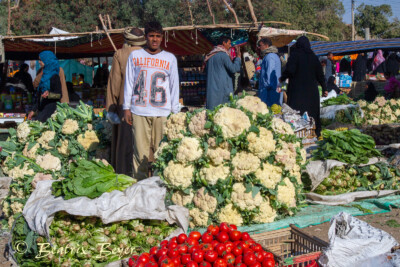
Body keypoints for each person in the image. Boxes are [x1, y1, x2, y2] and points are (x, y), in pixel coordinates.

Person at [123, 21, 180, 180]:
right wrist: (126, 107)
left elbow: (174, 86)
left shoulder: (170, 58)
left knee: (161, 151)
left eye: (157, 36)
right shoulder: (135, 56)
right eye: (151, 36)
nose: (154, 39)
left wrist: (175, 111)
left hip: (162, 112)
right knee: (139, 152)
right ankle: (139, 185)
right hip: (139, 110)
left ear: (162, 38)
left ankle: (160, 184)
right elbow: (128, 82)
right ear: (145, 37)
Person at [106, 27, 146, 176]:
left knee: (125, 143)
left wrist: (111, 108)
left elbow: (114, 84)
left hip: (126, 107)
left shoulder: (121, 54)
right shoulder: (151, 54)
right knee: (145, 143)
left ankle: (125, 175)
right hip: (147, 106)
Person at [279, 36, 327, 136]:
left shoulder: (295, 55)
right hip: (311, 92)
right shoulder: (313, 57)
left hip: (298, 91)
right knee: (312, 113)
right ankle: (313, 133)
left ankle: (298, 134)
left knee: (296, 113)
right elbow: (320, 75)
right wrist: (324, 88)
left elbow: (290, 71)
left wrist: (283, 78)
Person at [28, 51, 69, 122]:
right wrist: (33, 110)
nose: (39, 62)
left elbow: (59, 93)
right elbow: (36, 86)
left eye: (41, 60)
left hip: (53, 108)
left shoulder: (57, 72)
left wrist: (49, 95)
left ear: (47, 60)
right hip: (43, 107)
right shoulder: (42, 72)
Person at [205, 36, 241, 109]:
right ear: (224, 43)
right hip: (222, 90)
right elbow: (234, 69)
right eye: (229, 43)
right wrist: (238, 57)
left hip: (212, 91)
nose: (230, 46)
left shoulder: (210, 56)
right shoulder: (223, 55)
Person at [257, 37, 281, 106]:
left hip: (270, 91)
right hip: (273, 89)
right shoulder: (273, 56)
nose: (259, 47)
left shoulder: (270, 57)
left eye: (260, 45)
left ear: (266, 45)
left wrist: (265, 86)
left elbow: (269, 74)